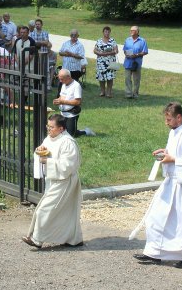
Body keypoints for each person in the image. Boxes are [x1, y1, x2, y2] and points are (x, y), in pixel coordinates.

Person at [132, 102, 182, 268]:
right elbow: (175, 152)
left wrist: (173, 159)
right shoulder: (175, 132)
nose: (166, 122)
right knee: (156, 217)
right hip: (171, 182)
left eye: (169, 119)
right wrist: (165, 152)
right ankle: (155, 252)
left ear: (179, 117)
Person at [22, 114, 83, 248]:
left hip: (65, 181)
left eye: (52, 127)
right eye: (48, 126)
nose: (49, 130)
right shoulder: (50, 138)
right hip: (53, 180)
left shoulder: (68, 143)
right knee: (66, 212)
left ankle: (37, 239)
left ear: (61, 128)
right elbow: (44, 150)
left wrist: (47, 161)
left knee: (45, 209)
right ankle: (74, 238)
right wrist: (40, 150)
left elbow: (68, 166)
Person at [53, 69, 94, 138]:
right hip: (63, 113)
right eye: (60, 79)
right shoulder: (64, 84)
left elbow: (78, 102)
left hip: (71, 114)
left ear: (68, 77)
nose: (60, 81)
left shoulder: (76, 86)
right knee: (61, 132)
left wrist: (62, 102)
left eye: (62, 79)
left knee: (71, 135)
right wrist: (58, 100)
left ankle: (86, 131)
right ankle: (73, 130)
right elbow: (62, 96)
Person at [122, 26, 148, 99]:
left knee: (136, 79)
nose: (131, 32)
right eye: (130, 30)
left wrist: (136, 55)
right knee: (127, 78)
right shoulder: (127, 40)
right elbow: (124, 49)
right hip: (128, 62)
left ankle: (135, 93)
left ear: (137, 32)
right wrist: (126, 54)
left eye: (133, 30)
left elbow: (145, 51)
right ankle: (128, 94)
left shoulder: (142, 41)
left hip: (137, 63)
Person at [94, 26, 118, 98]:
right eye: (105, 31)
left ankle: (109, 92)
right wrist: (100, 53)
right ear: (103, 32)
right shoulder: (99, 41)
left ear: (110, 32)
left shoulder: (112, 40)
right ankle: (102, 91)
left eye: (108, 31)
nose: (107, 33)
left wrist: (108, 53)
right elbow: (95, 50)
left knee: (110, 77)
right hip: (101, 62)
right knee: (101, 77)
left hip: (110, 62)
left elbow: (116, 51)